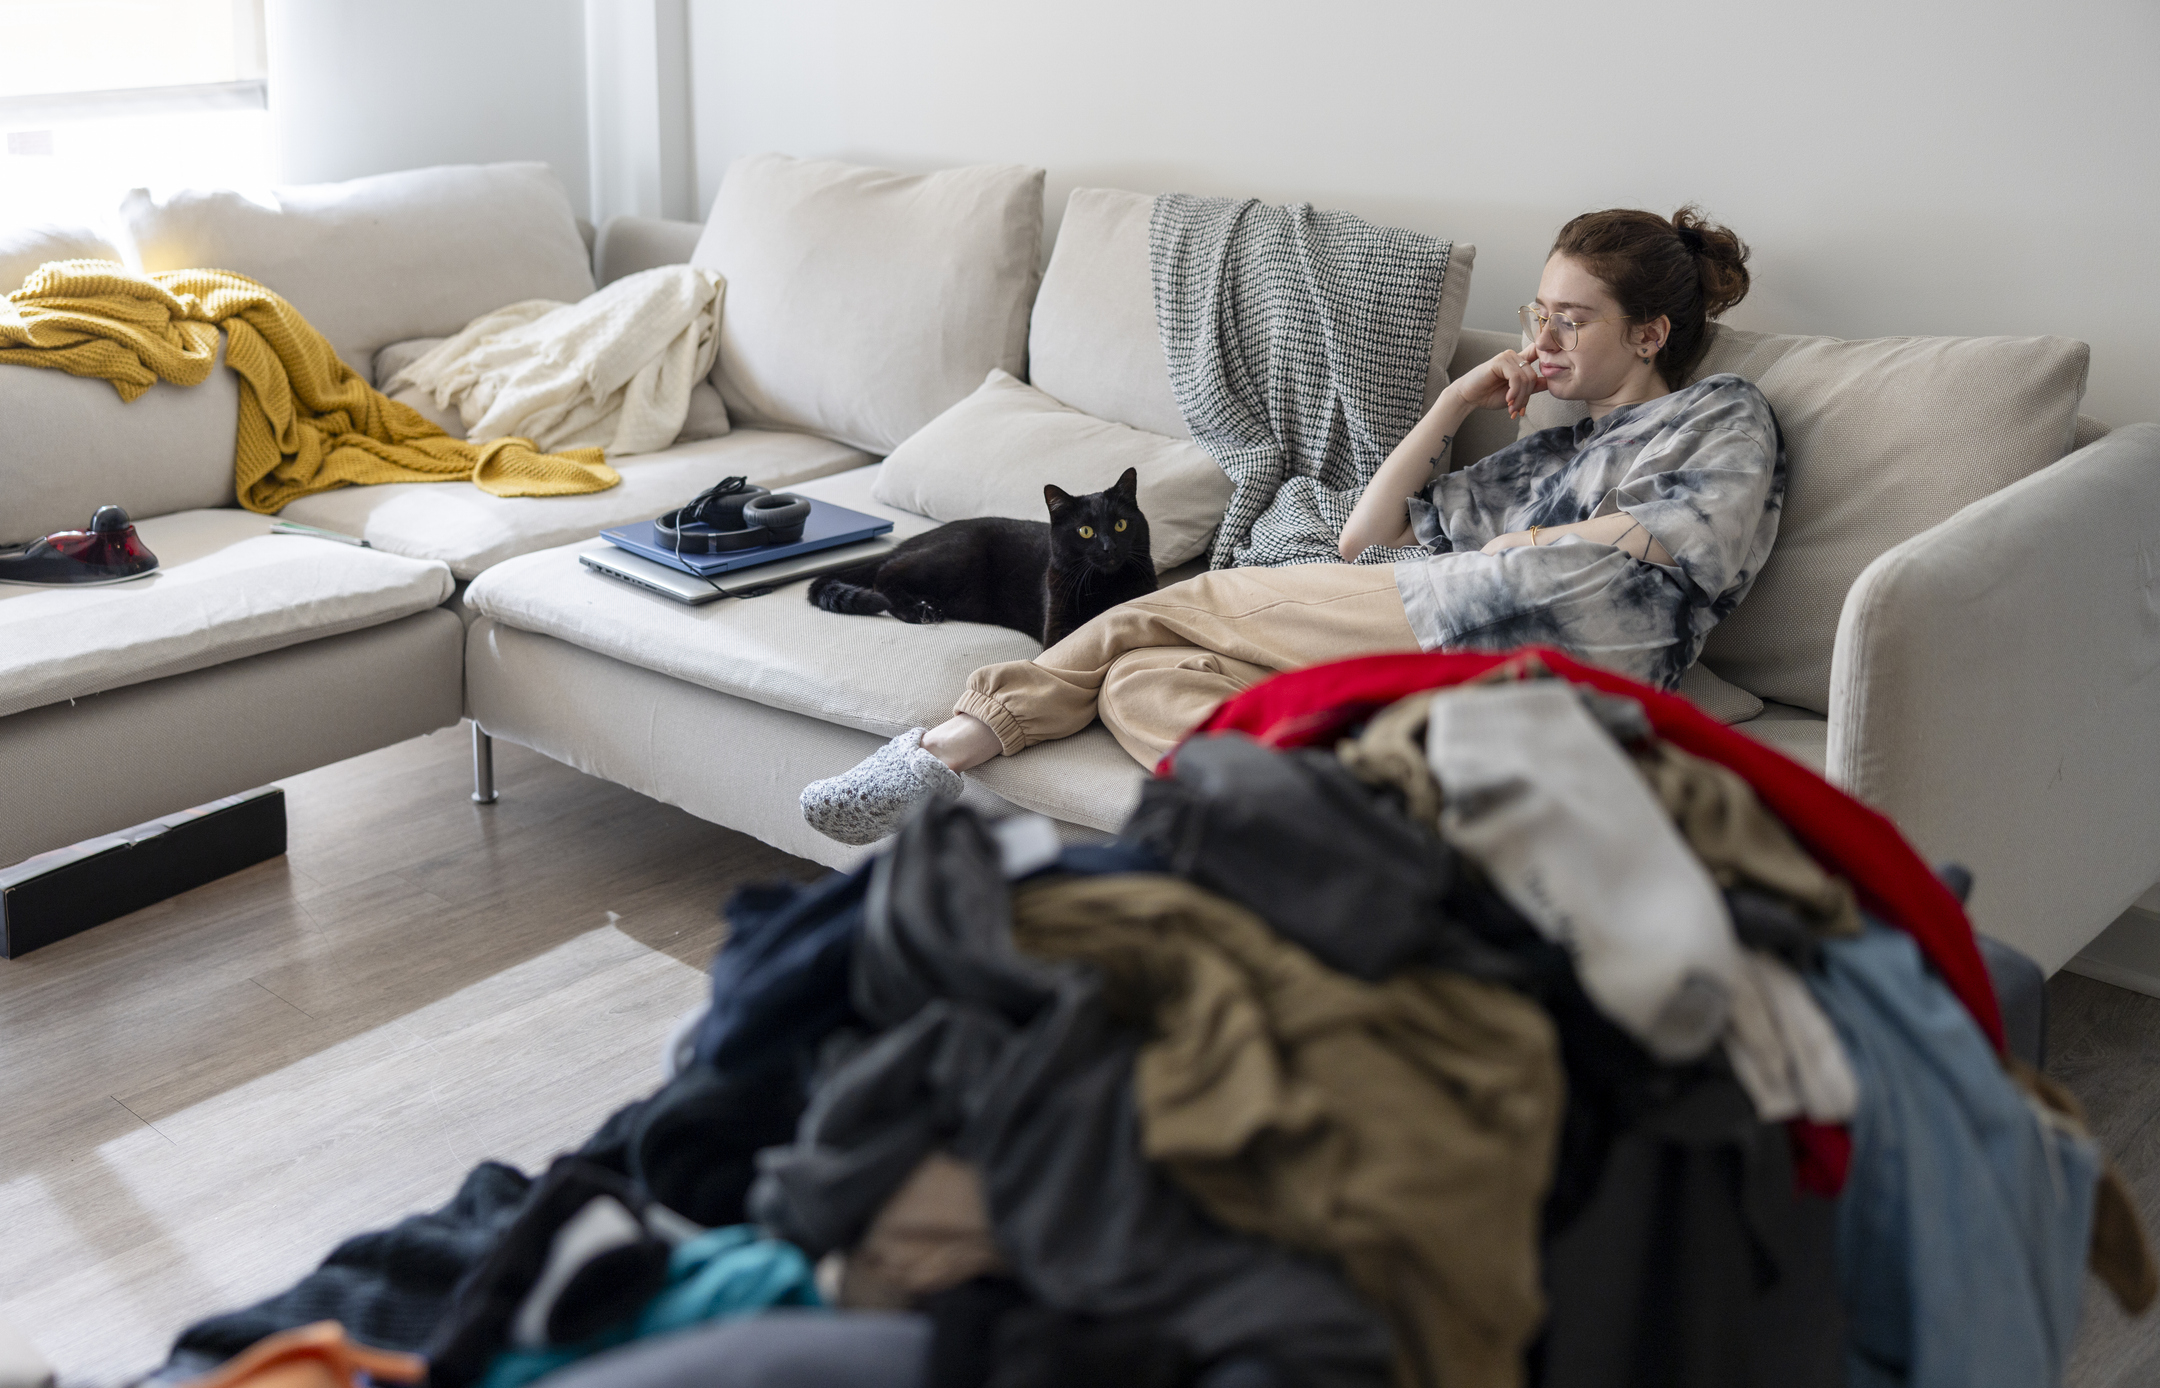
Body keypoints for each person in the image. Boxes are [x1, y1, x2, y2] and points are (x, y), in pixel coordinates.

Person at [802, 206, 1783, 845]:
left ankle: (946, 746)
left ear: (1650, 334)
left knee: (1194, 602)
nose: (1541, 341)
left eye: (1573, 320)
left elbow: (1676, 538)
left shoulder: (1721, 410)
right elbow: (1366, 540)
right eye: (1539, 313)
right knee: (1147, 679)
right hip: (1473, 633)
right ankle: (1347, 807)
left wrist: (1514, 550)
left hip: (1582, 637)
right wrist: (1452, 405)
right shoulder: (1548, 454)